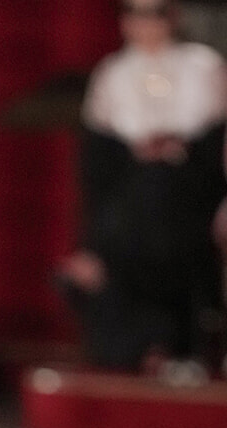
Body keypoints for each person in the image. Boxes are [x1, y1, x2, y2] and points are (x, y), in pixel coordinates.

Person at [60, 0, 227, 371]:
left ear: (172, 18)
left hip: (192, 191)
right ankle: (144, 342)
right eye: (136, 14)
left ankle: (173, 339)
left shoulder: (204, 67)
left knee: (159, 196)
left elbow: (214, 146)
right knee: (140, 204)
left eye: (155, 14)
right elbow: (99, 164)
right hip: (129, 201)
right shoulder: (112, 73)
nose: (146, 24)